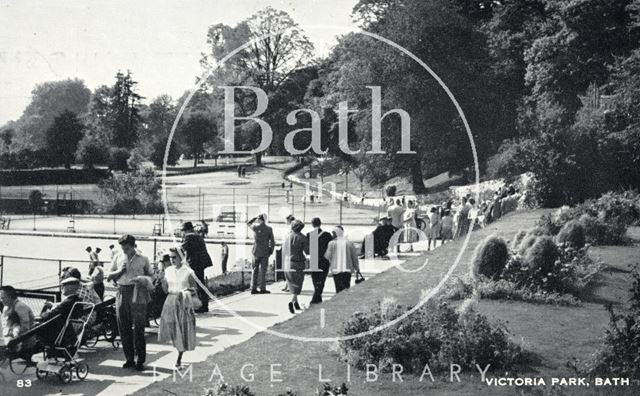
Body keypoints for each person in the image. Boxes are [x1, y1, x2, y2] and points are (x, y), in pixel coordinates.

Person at [107, 234, 153, 371]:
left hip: (137, 291)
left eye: (126, 248)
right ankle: (129, 359)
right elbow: (109, 277)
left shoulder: (143, 259)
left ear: (133, 246)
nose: (124, 250)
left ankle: (140, 359)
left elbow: (151, 276)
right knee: (123, 326)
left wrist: (142, 279)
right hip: (122, 291)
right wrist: (120, 271)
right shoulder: (117, 257)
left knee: (139, 327)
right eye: (122, 248)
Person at [158, 247, 197, 368]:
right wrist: (162, 282)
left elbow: (195, 290)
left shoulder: (188, 271)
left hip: (183, 303)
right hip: (170, 301)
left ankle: (178, 359)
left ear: (181, 257)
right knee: (171, 329)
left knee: (182, 330)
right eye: (170, 257)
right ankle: (179, 351)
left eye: (174, 257)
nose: (172, 259)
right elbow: (165, 290)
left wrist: (185, 292)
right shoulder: (168, 270)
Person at [181, 221, 213, 313]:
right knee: (201, 283)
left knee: (194, 284)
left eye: (183, 230)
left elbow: (181, 249)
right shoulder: (198, 236)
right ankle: (204, 304)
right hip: (201, 263)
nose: (182, 232)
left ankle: (199, 305)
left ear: (186, 230)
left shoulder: (188, 237)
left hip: (194, 263)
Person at [0, 286, 35, 361]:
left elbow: (25, 327)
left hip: (23, 343)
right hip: (12, 339)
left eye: (3, 298)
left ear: (9, 297)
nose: (1, 300)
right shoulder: (6, 307)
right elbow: (5, 325)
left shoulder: (19, 306)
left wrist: (14, 342)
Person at [282, 219, 309, 313]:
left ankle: (296, 303)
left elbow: (283, 250)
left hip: (288, 262)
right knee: (298, 283)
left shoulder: (287, 236)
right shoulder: (303, 238)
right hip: (298, 262)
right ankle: (292, 300)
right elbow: (307, 251)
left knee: (291, 283)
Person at [325, 226, 360, 293]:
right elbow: (354, 257)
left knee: (338, 289)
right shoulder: (349, 243)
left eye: (333, 233)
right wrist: (357, 268)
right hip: (347, 269)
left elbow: (327, 256)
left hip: (336, 270)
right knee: (346, 288)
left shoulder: (331, 243)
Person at [306, 217, 333, 305]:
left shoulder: (310, 235)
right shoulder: (327, 235)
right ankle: (316, 297)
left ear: (312, 224)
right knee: (322, 279)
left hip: (314, 259)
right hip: (324, 260)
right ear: (320, 224)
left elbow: (308, 250)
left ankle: (317, 297)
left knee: (315, 279)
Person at [247, 214, 275, 295]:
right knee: (263, 271)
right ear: (265, 220)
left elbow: (248, 223)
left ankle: (253, 288)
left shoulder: (255, 228)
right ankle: (263, 288)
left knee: (254, 270)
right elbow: (272, 242)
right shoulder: (269, 229)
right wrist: (271, 251)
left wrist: (254, 217)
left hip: (256, 251)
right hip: (265, 252)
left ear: (259, 220)